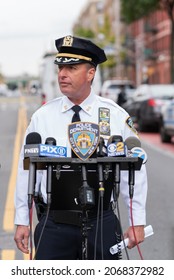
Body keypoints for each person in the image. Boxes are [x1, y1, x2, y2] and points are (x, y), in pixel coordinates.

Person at [14, 35, 148, 260]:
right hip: (53, 224)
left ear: (90, 73)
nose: (62, 74)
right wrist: (22, 220)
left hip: (101, 221)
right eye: (60, 68)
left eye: (72, 68)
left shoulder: (115, 115)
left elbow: (133, 171)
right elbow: (26, 170)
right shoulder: (43, 117)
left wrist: (138, 220)